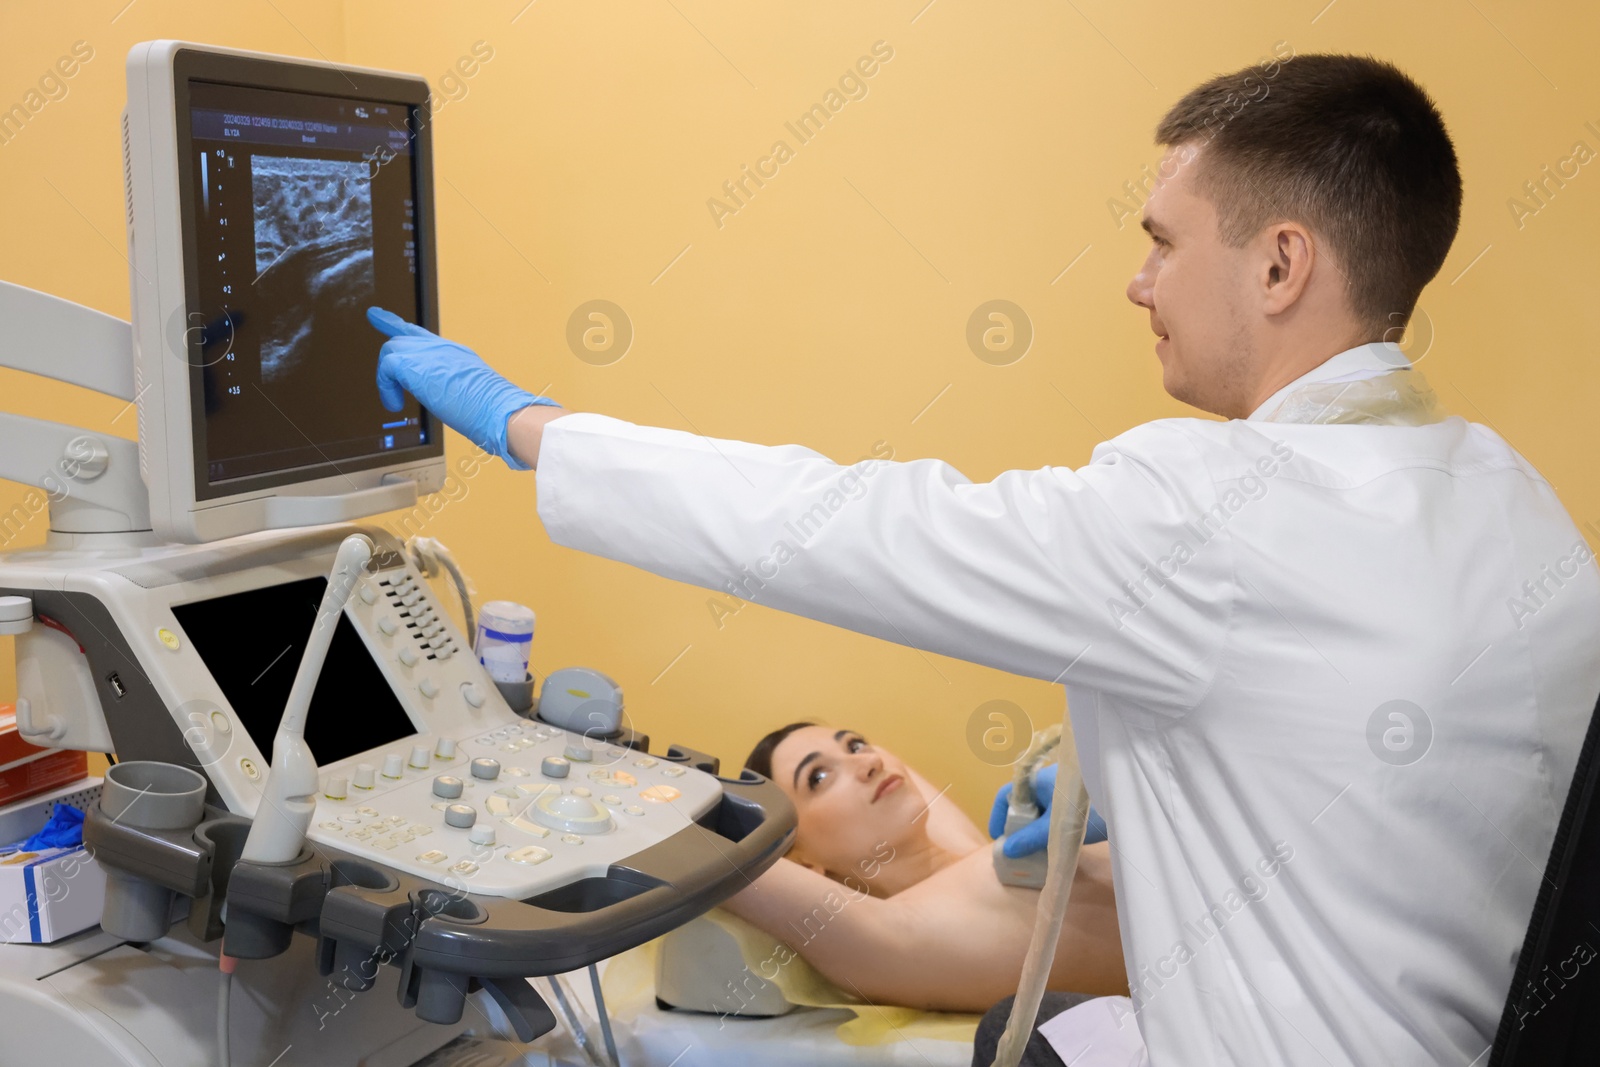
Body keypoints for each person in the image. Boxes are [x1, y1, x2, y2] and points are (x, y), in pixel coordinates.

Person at [366, 53, 1600, 1067]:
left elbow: (854, 521)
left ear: (1280, 265)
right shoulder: (1510, 498)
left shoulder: (1215, 510)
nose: (1136, 280)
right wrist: (1132, 808)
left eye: (1163, 241)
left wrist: (533, 430)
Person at [704, 722, 1125, 1012]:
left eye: (853, 745)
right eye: (817, 777)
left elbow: (889, 766)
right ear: (801, 863)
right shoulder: (901, 934)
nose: (866, 762)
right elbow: (697, 845)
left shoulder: (969, 851)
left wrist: (1113, 800)